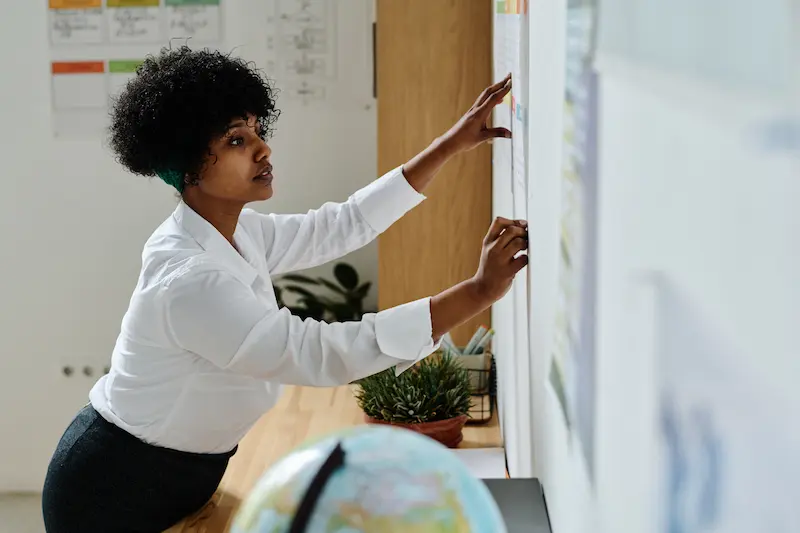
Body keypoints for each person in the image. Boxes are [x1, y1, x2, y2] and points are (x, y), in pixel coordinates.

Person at [41, 46, 528, 532]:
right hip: (111, 489)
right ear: (188, 165)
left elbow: (341, 225)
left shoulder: (237, 231)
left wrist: (450, 145)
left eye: (258, 130)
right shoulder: (189, 280)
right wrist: (478, 292)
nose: (263, 149)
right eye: (236, 140)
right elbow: (316, 352)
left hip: (179, 474)